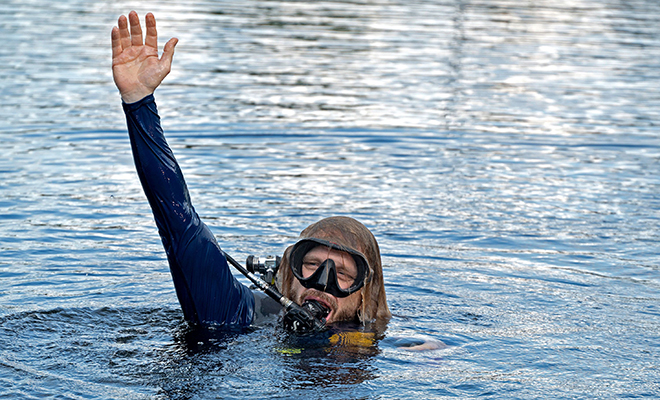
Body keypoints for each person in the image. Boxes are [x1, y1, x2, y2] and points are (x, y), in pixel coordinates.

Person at [111, 11, 391, 330]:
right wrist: (139, 102)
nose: (322, 283)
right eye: (311, 265)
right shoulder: (241, 315)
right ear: (288, 274)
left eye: (342, 275)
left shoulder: (390, 348)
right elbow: (180, 223)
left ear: (365, 295)